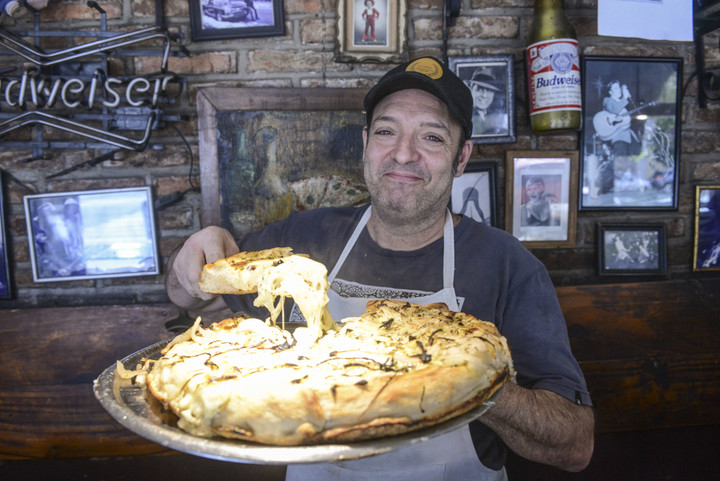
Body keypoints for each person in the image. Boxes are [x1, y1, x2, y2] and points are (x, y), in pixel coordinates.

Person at [166, 56, 594, 480]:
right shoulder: (301, 240)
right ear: (367, 142)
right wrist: (190, 270)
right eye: (388, 131)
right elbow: (187, 295)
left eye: (431, 137)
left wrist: (469, 379)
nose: (403, 154)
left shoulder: (507, 265)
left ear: (461, 158)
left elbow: (575, 445)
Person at [465, 67, 508, 137]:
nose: (484, 96)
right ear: (471, 89)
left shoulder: (497, 118)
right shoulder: (465, 116)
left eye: (489, 90)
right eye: (479, 89)